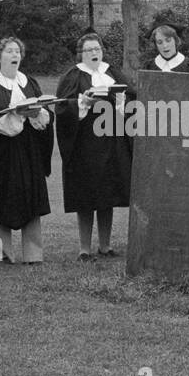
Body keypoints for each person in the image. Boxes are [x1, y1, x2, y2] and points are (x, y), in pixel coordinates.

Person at [56, 31, 136, 260]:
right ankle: (84, 248)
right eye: (89, 50)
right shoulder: (73, 76)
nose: (94, 53)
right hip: (84, 145)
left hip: (112, 143)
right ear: (80, 53)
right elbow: (62, 109)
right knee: (86, 194)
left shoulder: (111, 73)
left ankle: (105, 245)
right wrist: (82, 104)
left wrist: (122, 102)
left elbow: (132, 98)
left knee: (107, 193)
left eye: (97, 49)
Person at [0, 36, 54, 263]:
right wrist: (14, 115)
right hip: (2, 155)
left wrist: (38, 113)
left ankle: (33, 254)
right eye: (9, 51)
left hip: (29, 152)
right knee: (0, 203)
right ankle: (0, 254)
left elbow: (44, 111)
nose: (14, 55)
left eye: (17, 51)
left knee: (31, 199)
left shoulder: (28, 82)